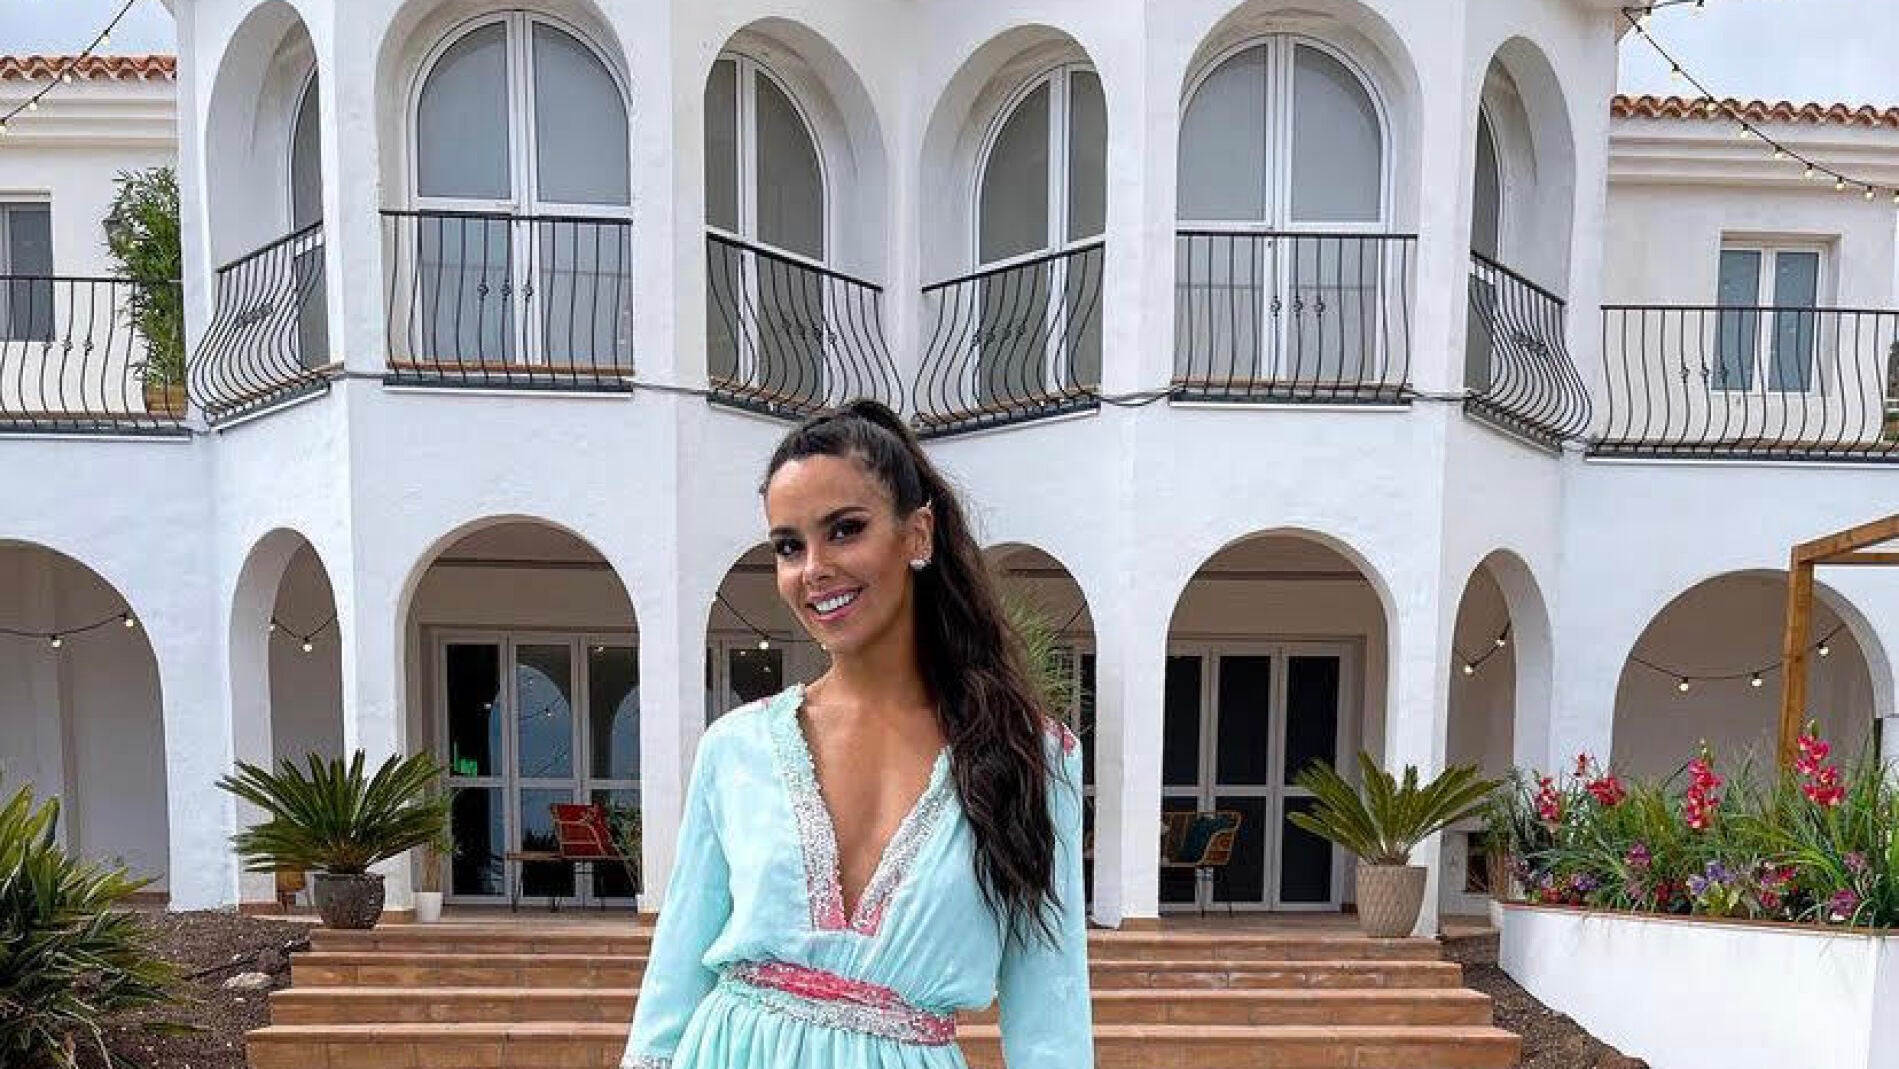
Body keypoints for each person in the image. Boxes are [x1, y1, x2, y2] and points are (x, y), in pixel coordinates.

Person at [620, 399, 1093, 1069]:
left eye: (844, 529)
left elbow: (1051, 1008)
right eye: (788, 545)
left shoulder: (1032, 755)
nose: (813, 568)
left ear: (918, 534)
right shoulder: (734, 749)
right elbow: (674, 979)